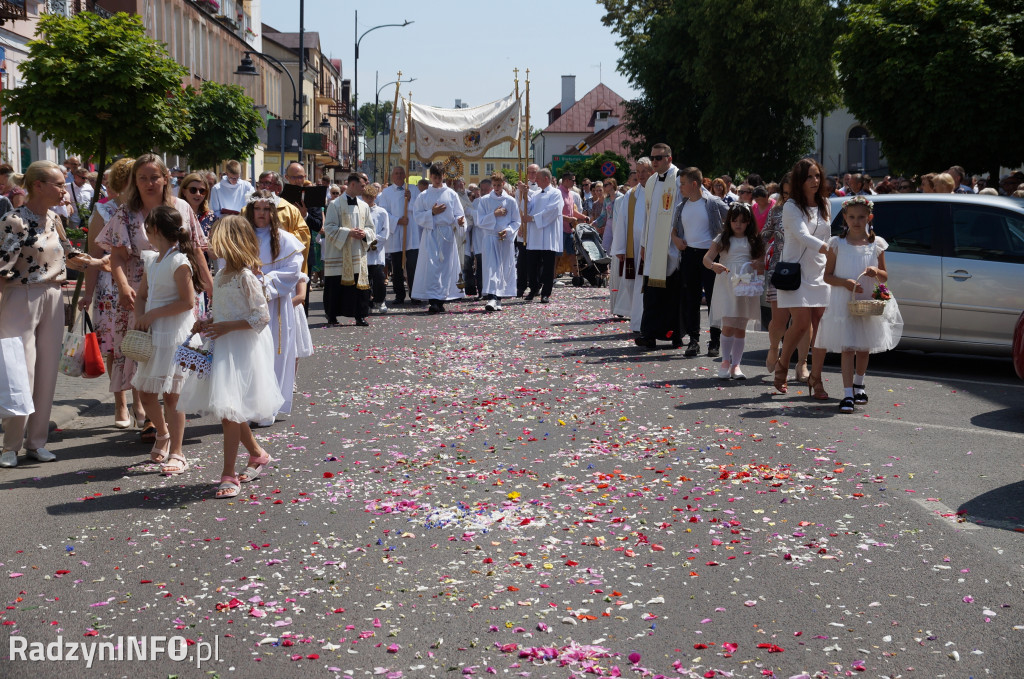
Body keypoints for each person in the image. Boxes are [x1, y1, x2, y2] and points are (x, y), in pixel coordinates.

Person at [100, 153, 212, 443]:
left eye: (154, 177)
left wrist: (211, 288)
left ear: (165, 179)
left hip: (179, 285)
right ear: (134, 182)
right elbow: (116, 258)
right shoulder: (127, 213)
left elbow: (197, 249)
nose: (149, 183)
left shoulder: (182, 207)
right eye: (142, 178)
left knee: (174, 357)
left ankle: (171, 423)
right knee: (143, 353)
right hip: (140, 291)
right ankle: (150, 418)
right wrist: (124, 287)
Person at [0, 161, 105, 468]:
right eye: (58, 184)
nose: (64, 189)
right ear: (38, 186)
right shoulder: (13, 221)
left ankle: (36, 443)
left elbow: (69, 253)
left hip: (54, 295)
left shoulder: (55, 219)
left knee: (46, 373)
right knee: (22, 372)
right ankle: (10, 446)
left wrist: (98, 263)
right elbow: (2, 267)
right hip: (21, 296)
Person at [179, 216, 283, 498]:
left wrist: (227, 326)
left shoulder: (246, 276)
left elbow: (260, 317)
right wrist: (207, 320)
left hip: (241, 349)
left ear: (230, 242)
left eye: (215, 239)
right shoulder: (223, 275)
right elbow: (226, 308)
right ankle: (257, 454)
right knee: (229, 409)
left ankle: (228, 473)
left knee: (229, 412)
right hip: (223, 346)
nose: (209, 245)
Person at [130, 206, 204, 473]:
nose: (144, 230)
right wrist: (140, 318)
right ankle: (163, 433)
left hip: (174, 334)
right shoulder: (152, 259)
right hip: (152, 334)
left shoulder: (179, 261)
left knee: (173, 396)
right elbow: (141, 295)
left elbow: (187, 302)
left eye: (147, 226)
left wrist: (153, 314)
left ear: (156, 230)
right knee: (146, 393)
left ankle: (177, 451)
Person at [817, 196, 902, 413]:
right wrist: (844, 282)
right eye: (852, 217)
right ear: (845, 217)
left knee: (864, 347)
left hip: (867, 301)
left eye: (861, 217)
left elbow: (884, 277)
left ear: (869, 218)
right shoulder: (837, 244)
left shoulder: (876, 244)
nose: (856, 221)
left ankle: (859, 384)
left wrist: (876, 272)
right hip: (844, 300)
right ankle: (847, 394)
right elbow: (827, 276)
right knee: (848, 347)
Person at [79, 157, 140, 429]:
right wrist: (87, 294)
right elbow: (93, 256)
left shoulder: (146, 211)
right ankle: (120, 402)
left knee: (139, 344)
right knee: (114, 347)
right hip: (108, 289)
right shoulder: (103, 211)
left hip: (138, 284)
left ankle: (140, 402)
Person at [774, 158, 831, 399]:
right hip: (796, 273)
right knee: (800, 322)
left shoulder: (826, 203)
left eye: (817, 176)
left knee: (822, 326)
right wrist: (829, 249)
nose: (815, 181)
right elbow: (801, 235)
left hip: (820, 272)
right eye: (809, 176)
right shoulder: (791, 206)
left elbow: (828, 234)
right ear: (800, 180)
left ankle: (816, 379)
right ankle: (783, 364)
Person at [703, 202, 766, 379]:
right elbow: (706, 258)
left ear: (749, 222)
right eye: (734, 220)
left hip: (746, 284)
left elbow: (762, 264)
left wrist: (758, 265)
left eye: (742, 221)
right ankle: (725, 361)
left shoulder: (754, 239)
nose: (738, 224)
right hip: (727, 283)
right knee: (728, 324)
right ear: (729, 221)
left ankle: (736, 365)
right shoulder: (722, 238)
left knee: (741, 327)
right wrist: (713, 265)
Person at [671, 167, 729, 357]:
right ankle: (693, 340)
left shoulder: (712, 203)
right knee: (691, 299)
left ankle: (715, 340)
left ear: (694, 184)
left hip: (711, 256)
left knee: (714, 299)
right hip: (689, 255)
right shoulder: (682, 207)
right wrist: (676, 240)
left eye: (683, 183)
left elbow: (731, 220)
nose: (680, 187)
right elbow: (675, 231)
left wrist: (721, 243)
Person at [762, 173, 811, 383]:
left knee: (803, 321)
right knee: (779, 321)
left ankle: (802, 364)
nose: (789, 197)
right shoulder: (776, 212)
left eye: (793, 193)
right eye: (785, 193)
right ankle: (774, 348)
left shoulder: (810, 211)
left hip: (806, 270)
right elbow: (764, 234)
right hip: (779, 271)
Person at [636, 144, 683, 349]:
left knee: (674, 294)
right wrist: (645, 244)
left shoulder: (681, 178)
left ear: (669, 158)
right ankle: (649, 334)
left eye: (658, 158)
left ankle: (676, 334)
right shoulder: (652, 180)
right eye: (652, 158)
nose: (654, 161)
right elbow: (649, 215)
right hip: (654, 246)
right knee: (652, 294)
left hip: (673, 246)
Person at [412, 163, 466, 313]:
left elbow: (458, 213)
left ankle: (441, 299)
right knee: (432, 267)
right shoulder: (424, 195)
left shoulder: (451, 194)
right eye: (434, 177)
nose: (437, 180)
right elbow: (417, 216)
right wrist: (432, 213)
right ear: (430, 177)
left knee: (445, 267)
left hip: (447, 235)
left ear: (443, 177)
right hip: (431, 233)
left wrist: (459, 221)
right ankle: (433, 300)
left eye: (440, 177)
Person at [323, 174, 375, 326]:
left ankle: (361, 315)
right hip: (339, 254)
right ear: (352, 184)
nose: (364, 188)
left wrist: (364, 234)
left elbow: (371, 228)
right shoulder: (335, 204)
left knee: (359, 287)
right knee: (335, 286)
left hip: (357, 252)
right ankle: (332, 316)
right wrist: (349, 232)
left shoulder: (364, 206)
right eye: (362, 185)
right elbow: (329, 228)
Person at [611, 158, 653, 329]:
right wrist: (620, 247)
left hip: (651, 245)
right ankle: (637, 322)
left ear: (652, 172)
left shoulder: (658, 190)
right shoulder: (632, 194)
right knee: (633, 285)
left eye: (644, 171)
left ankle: (645, 322)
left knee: (647, 285)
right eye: (638, 171)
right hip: (633, 247)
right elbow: (622, 221)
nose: (641, 175)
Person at [474, 172, 520, 312]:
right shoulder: (485, 200)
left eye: (499, 185)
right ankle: (492, 297)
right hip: (490, 238)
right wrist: (494, 214)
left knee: (503, 269)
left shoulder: (511, 201)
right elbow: (480, 221)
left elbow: (516, 221)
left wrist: (508, 231)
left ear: (504, 183)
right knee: (491, 268)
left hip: (504, 239)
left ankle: (498, 299)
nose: (497, 188)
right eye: (494, 185)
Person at [377, 166, 420, 305]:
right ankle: (399, 294)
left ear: (405, 175)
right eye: (396, 173)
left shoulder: (413, 189)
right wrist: (397, 220)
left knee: (413, 265)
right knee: (397, 266)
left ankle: (415, 293)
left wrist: (411, 199)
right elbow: (383, 212)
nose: (399, 175)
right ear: (392, 176)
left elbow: (420, 208)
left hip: (411, 233)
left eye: (402, 173)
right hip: (396, 233)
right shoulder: (386, 193)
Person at [522, 168, 564, 304]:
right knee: (531, 265)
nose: (536, 181)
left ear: (546, 179)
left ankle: (546, 293)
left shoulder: (556, 193)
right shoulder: (535, 194)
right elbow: (527, 208)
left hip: (548, 235)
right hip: (535, 236)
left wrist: (533, 218)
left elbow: (552, 211)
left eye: (538, 179)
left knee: (547, 266)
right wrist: (524, 195)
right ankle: (533, 288)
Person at [362, 182, 390, 313]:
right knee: (366, 280)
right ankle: (367, 303)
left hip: (377, 251)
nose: (369, 200)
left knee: (379, 278)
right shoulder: (360, 211)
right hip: (364, 251)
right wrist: (365, 241)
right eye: (366, 197)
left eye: (371, 197)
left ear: (375, 197)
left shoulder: (381, 212)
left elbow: (386, 231)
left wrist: (374, 242)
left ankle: (380, 300)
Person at [515, 163, 540, 297]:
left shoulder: (541, 188)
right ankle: (521, 286)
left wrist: (526, 191)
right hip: (523, 227)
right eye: (529, 172)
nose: (532, 175)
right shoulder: (519, 188)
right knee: (522, 260)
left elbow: (536, 200)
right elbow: (517, 207)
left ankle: (535, 286)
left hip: (535, 228)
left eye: (534, 172)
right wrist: (519, 225)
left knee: (534, 260)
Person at [178, 172, 216, 239]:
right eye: (193, 190)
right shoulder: (175, 215)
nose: (198, 194)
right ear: (184, 192)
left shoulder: (211, 217)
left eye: (202, 191)